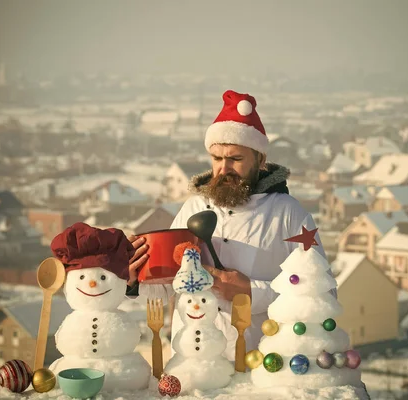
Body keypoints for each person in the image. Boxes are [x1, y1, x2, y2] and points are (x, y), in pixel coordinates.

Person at [128, 89, 332, 361]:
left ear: (260, 160)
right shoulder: (193, 207)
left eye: (235, 159)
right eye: (216, 159)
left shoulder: (289, 215)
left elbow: (321, 296)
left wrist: (250, 292)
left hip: (258, 364)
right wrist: (133, 281)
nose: (224, 169)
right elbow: (167, 284)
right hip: (193, 362)